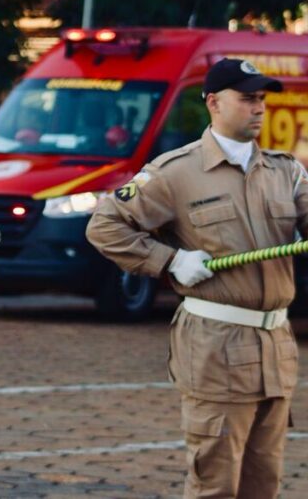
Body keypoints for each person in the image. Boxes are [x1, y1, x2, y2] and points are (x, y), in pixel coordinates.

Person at [87, 57, 307, 499]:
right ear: (213, 103)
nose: (259, 108)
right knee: (215, 484)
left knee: (263, 484)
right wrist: (169, 260)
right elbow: (105, 226)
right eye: (247, 98)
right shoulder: (176, 172)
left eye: (262, 99)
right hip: (216, 346)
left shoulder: (286, 171)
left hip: (275, 348)